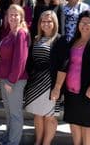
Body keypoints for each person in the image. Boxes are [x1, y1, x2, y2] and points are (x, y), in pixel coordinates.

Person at [51, 10, 90, 145]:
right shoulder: (74, 41)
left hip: (88, 90)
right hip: (71, 90)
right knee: (74, 120)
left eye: (88, 23)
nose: (85, 25)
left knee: (86, 122)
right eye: (82, 22)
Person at [24, 10, 64, 145]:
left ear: (55, 23)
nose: (46, 24)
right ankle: (38, 141)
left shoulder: (60, 40)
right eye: (43, 21)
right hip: (35, 83)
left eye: (49, 21)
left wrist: (57, 87)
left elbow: (63, 67)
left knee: (50, 117)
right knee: (38, 115)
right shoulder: (36, 39)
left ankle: (46, 143)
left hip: (50, 84)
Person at [0, 4, 30, 145]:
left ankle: (13, 142)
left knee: (15, 114)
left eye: (16, 14)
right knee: (9, 113)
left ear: (21, 17)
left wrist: (11, 80)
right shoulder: (10, 33)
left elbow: (20, 60)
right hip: (5, 79)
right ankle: (8, 138)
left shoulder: (21, 33)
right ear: (7, 17)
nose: (13, 17)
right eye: (11, 14)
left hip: (14, 80)